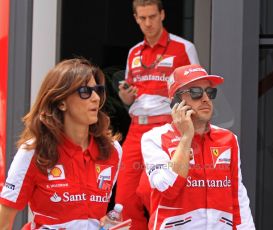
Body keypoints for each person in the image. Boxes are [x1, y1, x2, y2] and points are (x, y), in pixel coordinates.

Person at [0, 58, 122, 229]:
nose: (95, 98)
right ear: (61, 102)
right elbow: (3, 223)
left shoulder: (112, 150)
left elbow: (94, 216)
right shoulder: (33, 151)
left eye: (97, 90)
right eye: (85, 91)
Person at [116, 0, 200, 229]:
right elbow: (130, 98)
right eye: (142, 18)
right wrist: (126, 97)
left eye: (152, 16)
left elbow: (197, 87)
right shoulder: (134, 52)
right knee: (124, 199)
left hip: (166, 126)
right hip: (136, 128)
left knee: (151, 190)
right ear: (135, 18)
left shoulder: (184, 47)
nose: (148, 23)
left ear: (162, 14)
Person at [141, 64, 256, 229]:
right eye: (196, 92)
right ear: (176, 101)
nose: (205, 99)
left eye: (210, 92)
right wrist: (186, 137)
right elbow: (167, 188)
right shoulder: (154, 138)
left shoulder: (229, 139)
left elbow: (238, 196)